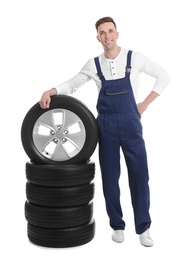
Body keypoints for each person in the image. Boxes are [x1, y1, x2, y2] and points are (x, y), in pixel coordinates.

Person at [39, 17, 170, 247]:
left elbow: (164, 76)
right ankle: (117, 226)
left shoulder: (134, 58)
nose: (107, 36)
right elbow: (73, 84)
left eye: (110, 31)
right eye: (102, 32)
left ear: (117, 33)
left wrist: (145, 103)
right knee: (110, 178)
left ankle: (143, 229)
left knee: (140, 177)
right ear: (97, 37)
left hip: (131, 124)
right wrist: (52, 89)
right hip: (106, 126)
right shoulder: (94, 64)